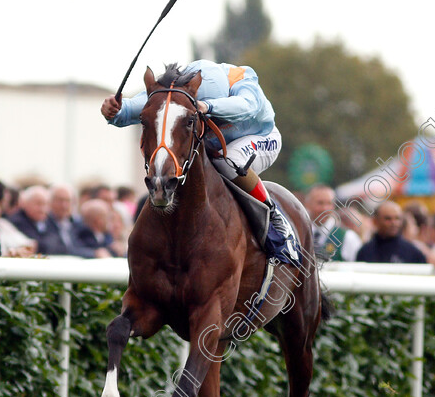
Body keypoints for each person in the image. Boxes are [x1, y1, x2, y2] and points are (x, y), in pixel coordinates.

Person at [101, 59, 300, 264]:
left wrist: (207, 107)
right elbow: (141, 106)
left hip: (260, 137)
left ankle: (274, 218)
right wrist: (115, 111)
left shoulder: (241, 77)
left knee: (229, 160)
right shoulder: (178, 88)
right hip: (212, 145)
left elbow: (248, 105)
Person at [355, 201, 427, 264]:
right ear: (375, 221)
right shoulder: (365, 252)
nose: (393, 223)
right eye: (388, 219)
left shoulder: (414, 253)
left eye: (397, 218)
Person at [303, 184, 360, 262]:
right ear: (307, 204)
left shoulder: (348, 237)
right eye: (320, 203)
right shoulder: (299, 235)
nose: (325, 209)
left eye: (329, 203)